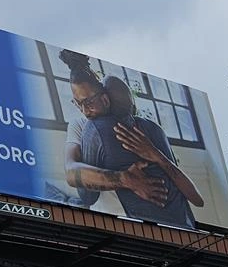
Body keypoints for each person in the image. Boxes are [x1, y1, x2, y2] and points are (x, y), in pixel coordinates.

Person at [59, 49, 204, 228]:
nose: (84, 110)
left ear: (105, 99)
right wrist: (126, 179)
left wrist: (155, 154)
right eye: (77, 103)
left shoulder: (149, 130)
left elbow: (197, 199)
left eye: (88, 102)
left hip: (165, 226)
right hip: (114, 221)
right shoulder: (82, 126)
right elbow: (71, 172)